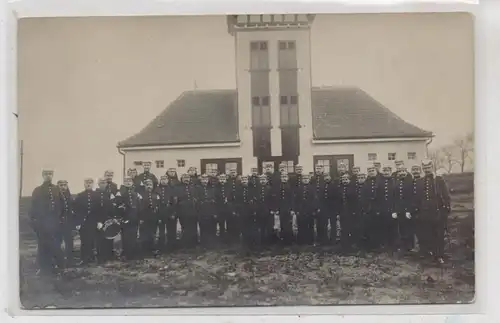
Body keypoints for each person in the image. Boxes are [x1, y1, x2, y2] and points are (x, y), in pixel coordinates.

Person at [30, 169, 65, 275]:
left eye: (50, 174)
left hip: (55, 224)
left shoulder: (57, 189)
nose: (48, 176)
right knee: (43, 246)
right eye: (46, 174)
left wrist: (61, 219)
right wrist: (36, 224)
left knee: (55, 245)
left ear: (53, 175)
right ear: (42, 175)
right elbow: (33, 209)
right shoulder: (37, 190)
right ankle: (43, 268)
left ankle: (55, 266)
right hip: (43, 224)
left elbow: (62, 205)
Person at [415, 159, 451, 264]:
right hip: (424, 213)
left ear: (432, 167)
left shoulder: (439, 180)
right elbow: (418, 198)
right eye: (424, 168)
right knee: (427, 234)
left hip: (437, 212)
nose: (426, 170)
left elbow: (446, 195)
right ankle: (429, 254)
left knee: (438, 234)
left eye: (428, 167)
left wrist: (446, 209)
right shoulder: (420, 181)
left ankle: (439, 255)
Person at [74, 178, 102, 265]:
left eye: (90, 183)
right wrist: (78, 222)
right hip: (84, 222)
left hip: (93, 221)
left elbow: (100, 209)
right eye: (87, 183)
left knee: (93, 240)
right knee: (84, 240)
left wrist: (99, 221)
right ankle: (84, 258)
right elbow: (76, 210)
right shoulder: (80, 196)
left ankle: (92, 258)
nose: (88, 184)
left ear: (93, 184)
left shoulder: (97, 195)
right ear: (84, 184)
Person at [115, 176, 142, 260]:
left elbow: (139, 207)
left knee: (133, 236)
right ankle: (126, 254)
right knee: (125, 237)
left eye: (130, 181)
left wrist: (139, 217)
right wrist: (120, 218)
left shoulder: (136, 194)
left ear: (132, 182)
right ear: (123, 183)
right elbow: (118, 206)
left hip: (134, 218)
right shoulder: (120, 193)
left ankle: (133, 254)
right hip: (125, 218)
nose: (128, 182)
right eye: (126, 181)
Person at [393, 165, 415, 252]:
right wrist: (394, 210)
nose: (402, 173)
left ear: (406, 172)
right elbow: (394, 198)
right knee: (401, 228)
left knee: (409, 228)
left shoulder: (411, 182)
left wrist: (409, 210)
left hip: (408, 209)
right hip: (399, 209)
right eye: (400, 171)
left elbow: (411, 197)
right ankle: (403, 246)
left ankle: (410, 246)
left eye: (403, 171)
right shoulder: (396, 183)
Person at [95, 177, 116, 263]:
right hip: (99, 220)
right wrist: (97, 221)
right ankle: (100, 258)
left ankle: (109, 256)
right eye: (101, 182)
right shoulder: (95, 194)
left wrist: (113, 218)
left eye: (104, 182)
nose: (103, 184)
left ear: (106, 184)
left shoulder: (109, 194)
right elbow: (94, 209)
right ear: (98, 184)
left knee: (109, 237)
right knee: (100, 239)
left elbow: (112, 207)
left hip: (108, 219)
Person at [376, 166, 396, 250]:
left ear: (391, 171)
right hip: (382, 208)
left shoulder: (394, 181)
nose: (386, 173)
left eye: (387, 171)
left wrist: (395, 209)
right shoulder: (379, 182)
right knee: (383, 226)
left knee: (393, 227)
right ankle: (384, 244)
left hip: (392, 207)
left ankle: (393, 245)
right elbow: (377, 196)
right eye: (384, 171)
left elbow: (397, 196)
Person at [138, 179, 161, 257]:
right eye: (147, 185)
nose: (149, 186)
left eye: (150, 185)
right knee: (144, 234)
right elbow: (139, 208)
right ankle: (144, 251)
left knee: (153, 234)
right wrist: (141, 218)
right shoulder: (141, 195)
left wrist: (158, 217)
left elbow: (158, 207)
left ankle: (153, 250)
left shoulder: (156, 195)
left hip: (154, 217)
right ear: (144, 186)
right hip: (144, 218)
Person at [57, 179, 76, 267]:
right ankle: (59, 261)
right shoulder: (55, 196)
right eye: (61, 185)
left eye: (65, 185)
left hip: (68, 223)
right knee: (58, 243)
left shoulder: (69, 196)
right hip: (58, 224)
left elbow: (72, 209)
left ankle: (70, 260)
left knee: (69, 242)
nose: (63, 187)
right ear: (58, 186)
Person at [295, 174, 318, 245]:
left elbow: (314, 200)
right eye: (304, 178)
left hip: (309, 210)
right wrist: (297, 210)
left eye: (306, 178)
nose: (305, 180)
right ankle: (301, 241)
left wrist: (314, 210)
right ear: (302, 180)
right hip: (301, 210)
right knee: (301, 225)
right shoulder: (299, 188)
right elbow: (296, 200)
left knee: (310, 225)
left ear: (309, 179)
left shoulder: (312, 188)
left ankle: (310, 241)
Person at [234, 175, 257, 248]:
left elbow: (255, 200)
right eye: (243, 180)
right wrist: (237, 210)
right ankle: (244, 243)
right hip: (241, 211)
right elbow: (236, 200)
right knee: (242, 227)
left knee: (251, 227)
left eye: (245, 179)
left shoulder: (252, 189)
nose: (244, 181)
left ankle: (251, 242)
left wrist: (254, 210)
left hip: (250, 211)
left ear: (248, 180)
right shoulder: (238, 189)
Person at [156, 175, 177, 252]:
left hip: (169, 211)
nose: (163, 181)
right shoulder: (157, 189)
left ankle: (171, 246)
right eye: (162, 179)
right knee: (161, 230)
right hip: (161, 212)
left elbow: (175, 202)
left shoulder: (172, 189)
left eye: (165, 179)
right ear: (160, 180)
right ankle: (161, 246)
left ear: (168, 180)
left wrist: (173, 213)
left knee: (171, 230)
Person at [177, 173, 199, 248]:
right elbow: (176, 200)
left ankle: (194, 242)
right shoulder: (178, 188)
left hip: (193, 210)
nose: (186, 179)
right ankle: (186, 243)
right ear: (181, 179)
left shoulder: (193, 187)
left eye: (187, 178)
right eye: (184, 178)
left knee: (193, 226)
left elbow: (196, 198)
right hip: (183, 211)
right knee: (185, 227)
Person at [197, 174, 218, 247]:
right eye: (203, 179)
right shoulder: (198, 188)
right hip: (202, 211)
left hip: (211, 210)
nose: (205, 181)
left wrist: (215, 212)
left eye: (206, 179)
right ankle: (204, 243)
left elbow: (216, 200)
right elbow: (196, 200)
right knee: (203, 227)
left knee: (212, 226)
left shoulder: (212, 188)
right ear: (201, 180)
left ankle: (212, 242)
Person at [337, 173, 357, 251]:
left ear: (349, 180)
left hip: (351, 211)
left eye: (346, 179)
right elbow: (338, 201)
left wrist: (354, 211)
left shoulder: (353, 188)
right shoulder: (340, 189)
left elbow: (355, 201)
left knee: (351, 227)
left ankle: (352, 243)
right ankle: (344, 244)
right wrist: (338, 212)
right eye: (343, 179)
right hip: (342, 211)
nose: (344, 181)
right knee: (343, 228)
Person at [274, 172, 294, 244]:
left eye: (285, 177)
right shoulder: (278, 187)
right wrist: (277, 209)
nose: (284, 178)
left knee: (289, 224)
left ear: (287, 178)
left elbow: (292, 199)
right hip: (281, 208)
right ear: (281, 178)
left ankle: (289, 240)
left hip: (288, 208)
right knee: (282, 224)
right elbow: (276, 199)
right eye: (283, 177)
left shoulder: (290, 186)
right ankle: (283, 239)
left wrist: (292, 209)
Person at [255, 174, 274, 246]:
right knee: (261, 227)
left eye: (264, 180)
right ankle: (262, 242)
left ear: (267, 180)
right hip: (260, 211)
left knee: (269, 227)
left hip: (268, 211)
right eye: (261, 180)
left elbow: (273, 200)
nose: (262, 181)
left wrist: (272, 209)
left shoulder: (270, 188)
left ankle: (269, 242)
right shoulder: (257, 189)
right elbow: (255, 201)